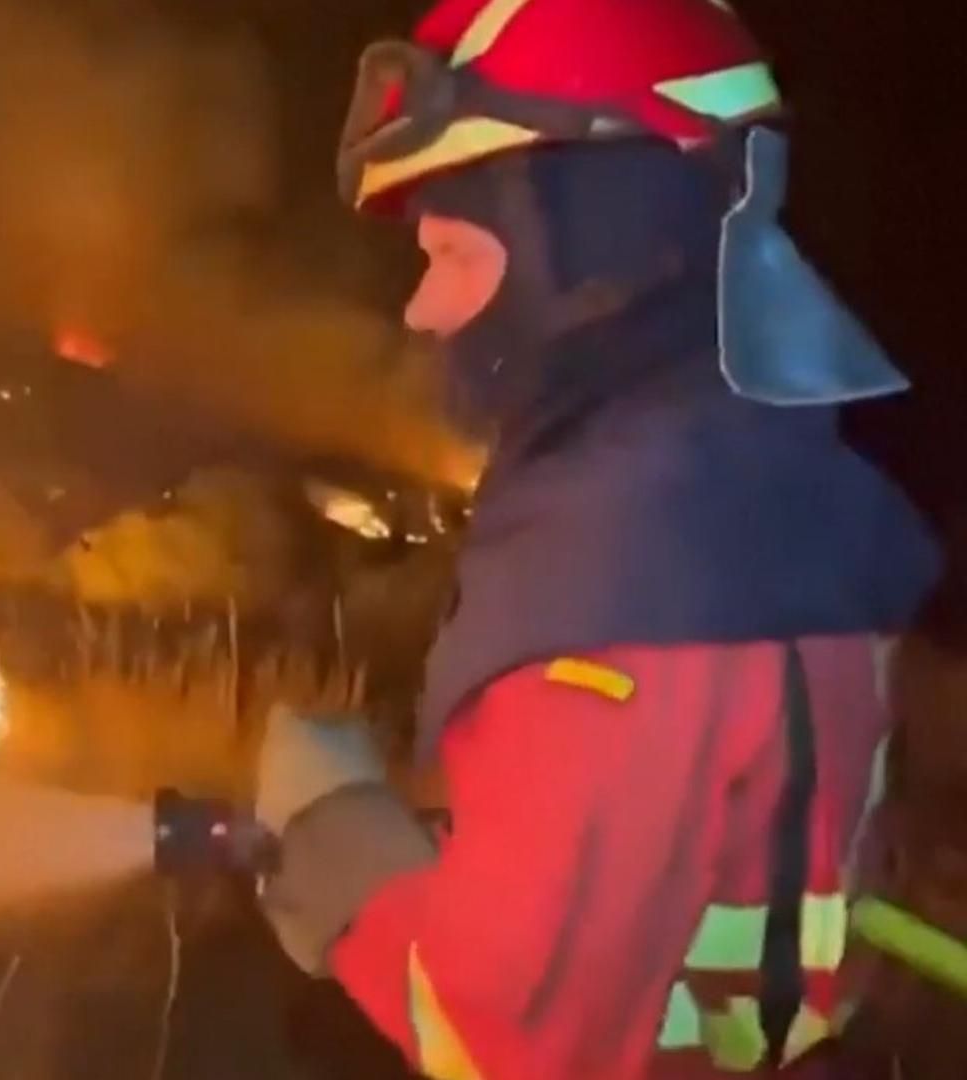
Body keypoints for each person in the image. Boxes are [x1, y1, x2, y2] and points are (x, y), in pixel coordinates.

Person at [249, 1, 940, 1077]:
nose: (424, 313)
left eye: (454, 256)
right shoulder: (768, 498)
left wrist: (338, 845)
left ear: (589, 239)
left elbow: (509, 1038)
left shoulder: (620, 575)